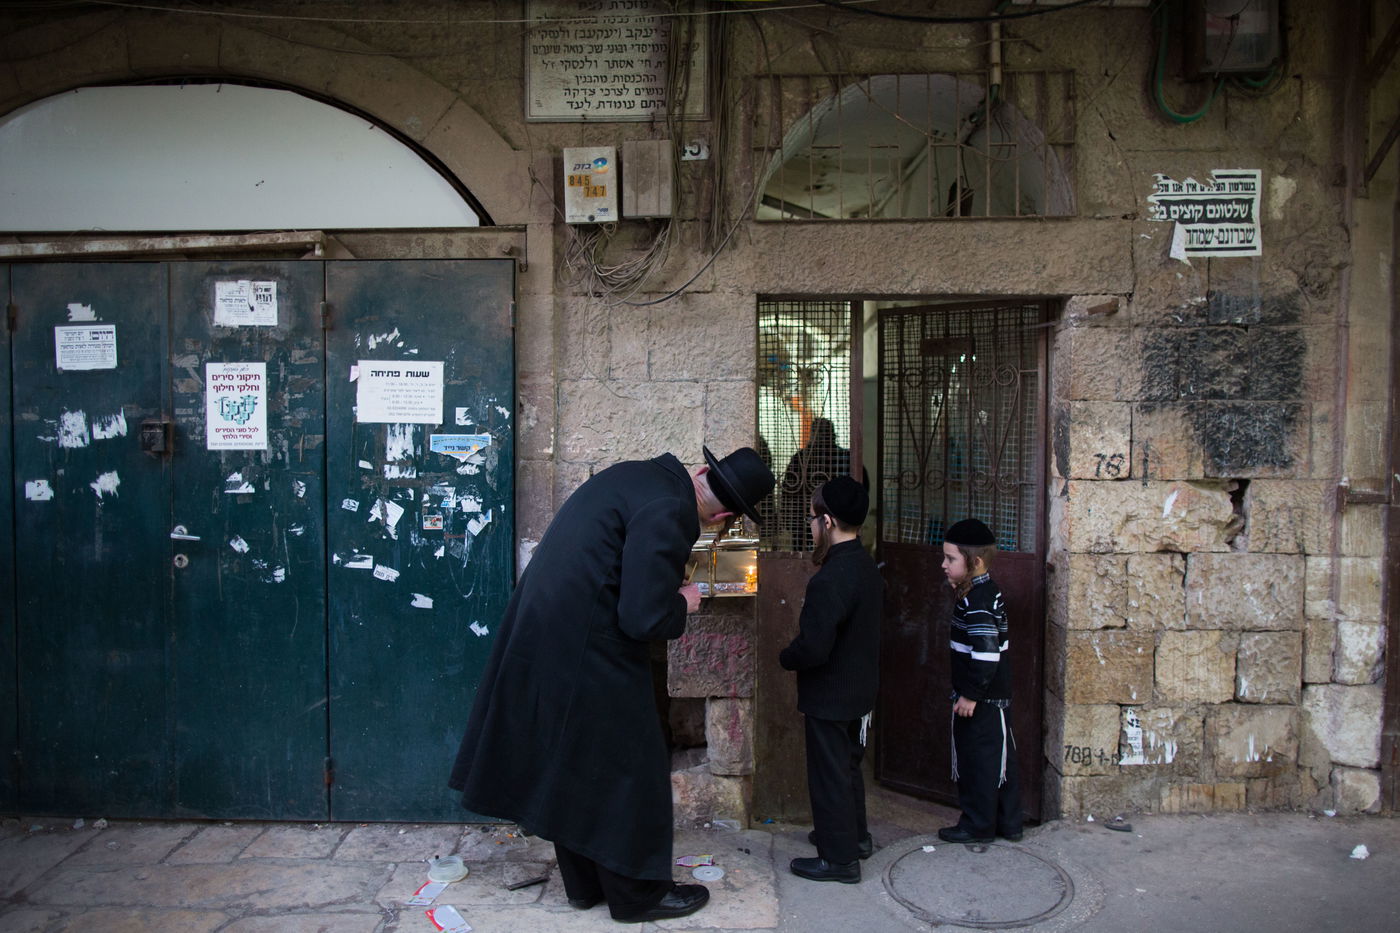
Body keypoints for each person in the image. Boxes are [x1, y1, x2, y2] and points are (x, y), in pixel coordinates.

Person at [448, 446, 775, 924]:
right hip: (584, 642)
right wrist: (684, 601)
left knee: (577, 759)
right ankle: (638, 896)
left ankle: (586, 886)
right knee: (634, 764)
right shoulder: (673, 510)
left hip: (550, 633)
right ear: (724, 514)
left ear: (703, 470)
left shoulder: (639, 476)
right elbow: (642, 616)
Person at [778, 475, 883, 884]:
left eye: (812, 518)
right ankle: (853, 838)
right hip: (859, 691)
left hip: (831, 694)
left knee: (829, 776)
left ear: (829, 520)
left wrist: (787, 657)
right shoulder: (864, 565)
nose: (810, 525)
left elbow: (814, 647)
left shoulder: (831, 578)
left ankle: (838, 860)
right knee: (848, 768)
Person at [937, 518, 1023, 845]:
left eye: (951, 559)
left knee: (979, 765)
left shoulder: (978, 601)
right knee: (1000, 760)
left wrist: (970, 695)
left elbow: (986, 653)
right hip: (993, 700)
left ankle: (977, 825)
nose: (943, 565)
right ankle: (1009, 823)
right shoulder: (982, 591)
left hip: (982, 700)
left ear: (975, 563)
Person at [778, 417, 866, 550]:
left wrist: (788, 520)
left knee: (803, 556)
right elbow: (862, 489)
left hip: (805, 522)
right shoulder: (845, 457)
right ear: (833, 434)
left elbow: (788, 491)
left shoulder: (801, 458)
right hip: (836, 525)